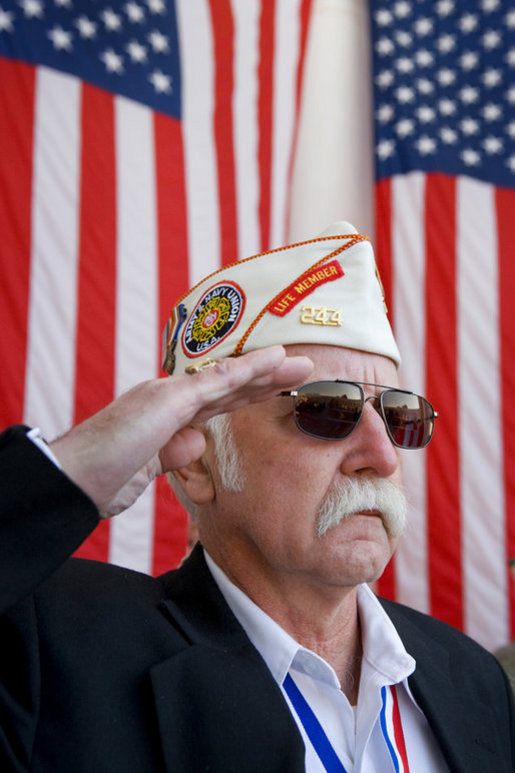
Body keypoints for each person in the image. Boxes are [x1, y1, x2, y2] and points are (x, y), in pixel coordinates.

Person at [0, 222, 513, 772]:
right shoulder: (58, 645)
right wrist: (71, 468)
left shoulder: (474, 677)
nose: (382, 456)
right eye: (326, 409)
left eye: (399, 414)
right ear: (200, 464)